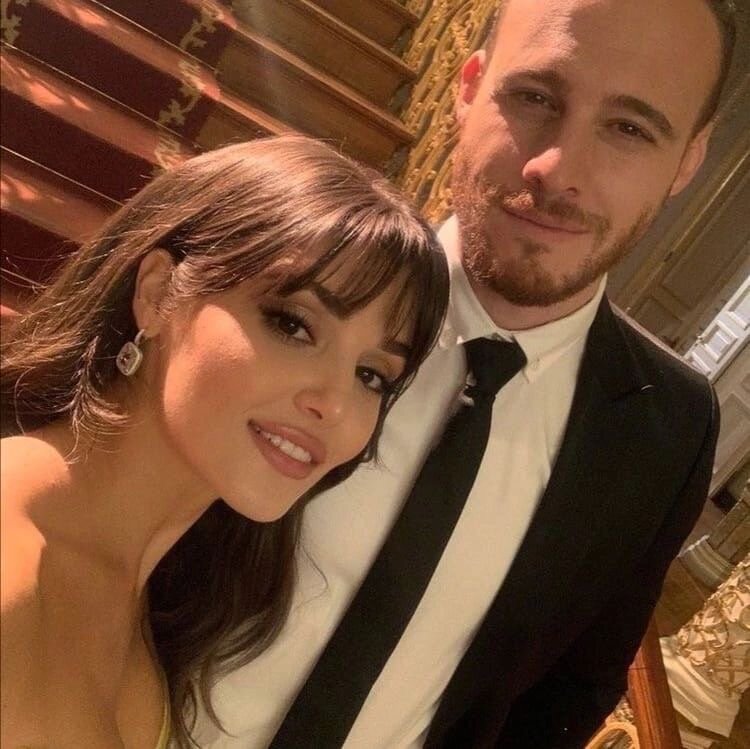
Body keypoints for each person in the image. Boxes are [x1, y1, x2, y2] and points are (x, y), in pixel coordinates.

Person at [192, 0, 732, 747]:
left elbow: (575, 685)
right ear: (470, 87)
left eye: (630, 129)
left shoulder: (668, 428)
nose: (557, 171)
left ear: (687, 163)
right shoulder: (287, 278)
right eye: (536, 96)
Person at [0, 134, 449, 749]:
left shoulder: (162, 598)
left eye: (372, 375)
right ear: (158, 293)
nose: (335, 403)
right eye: (293, 325)